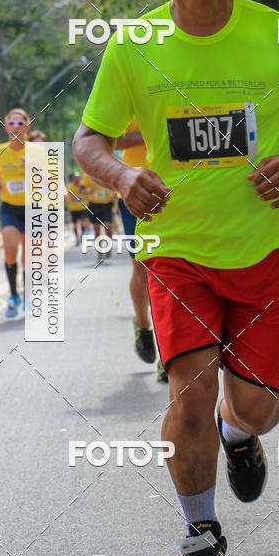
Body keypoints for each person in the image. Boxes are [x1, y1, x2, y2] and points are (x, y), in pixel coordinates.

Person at [73, 0, 279, 556]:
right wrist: (122, 178)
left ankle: (241, 435)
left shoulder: (278, 34)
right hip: (177, 250)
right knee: (187, 392)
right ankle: (200, 530)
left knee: (256, 406)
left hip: (265, 249)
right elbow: (88, 137)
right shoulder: (135, 45)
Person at [114, 122, 161, 372]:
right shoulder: (128, 90)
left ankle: (168, 352)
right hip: (136, 192)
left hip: (179, 189)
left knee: (173, 265)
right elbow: (112, 139)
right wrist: (152, 132)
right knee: (142, 266)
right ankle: (143, 325)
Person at [0, 107, 29, 318]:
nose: (16, 127)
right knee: (10, 250)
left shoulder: (36, 151)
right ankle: (13, 295)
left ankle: (29, 295)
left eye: (20, 123)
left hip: (32, 208)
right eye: (12, 123)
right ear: (6, 127)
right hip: (9, 209)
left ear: (27, 127)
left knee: (29, 258)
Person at [84, 176, 115, 262]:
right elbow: (81, 190)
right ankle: (100, 252)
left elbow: (115, 185)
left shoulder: (107, 172)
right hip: (94, 205)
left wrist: (114, 194)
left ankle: (108, 247)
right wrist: (88, 191)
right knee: (96, 230)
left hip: (107, 204)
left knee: (108, 228)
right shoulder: (87, 175)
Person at [65, 171, 91, 246]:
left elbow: (88, 194)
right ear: (73, 179)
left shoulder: (83, 186)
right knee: (75, 225)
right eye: (75, 178)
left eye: (78, 178)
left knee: (83, 223)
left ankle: (82, 236)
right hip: (73, 209)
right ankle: (77, 238)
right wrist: (72, 199)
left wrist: (83, 197)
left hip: (82, 208)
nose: (77, 179)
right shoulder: (69, 187)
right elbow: (66, 197)